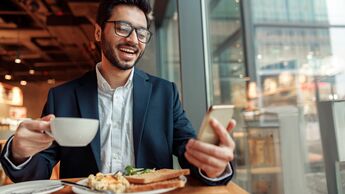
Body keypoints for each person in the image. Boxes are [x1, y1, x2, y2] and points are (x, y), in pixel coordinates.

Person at [0, 0, 236, 186]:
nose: (133, 40)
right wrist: (19, 153)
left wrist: (213, 165)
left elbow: (189, 151)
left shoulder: (165, 93)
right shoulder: (61, 97)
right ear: (98, 32)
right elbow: (39, 169)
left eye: (141, 33)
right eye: (123, 28)